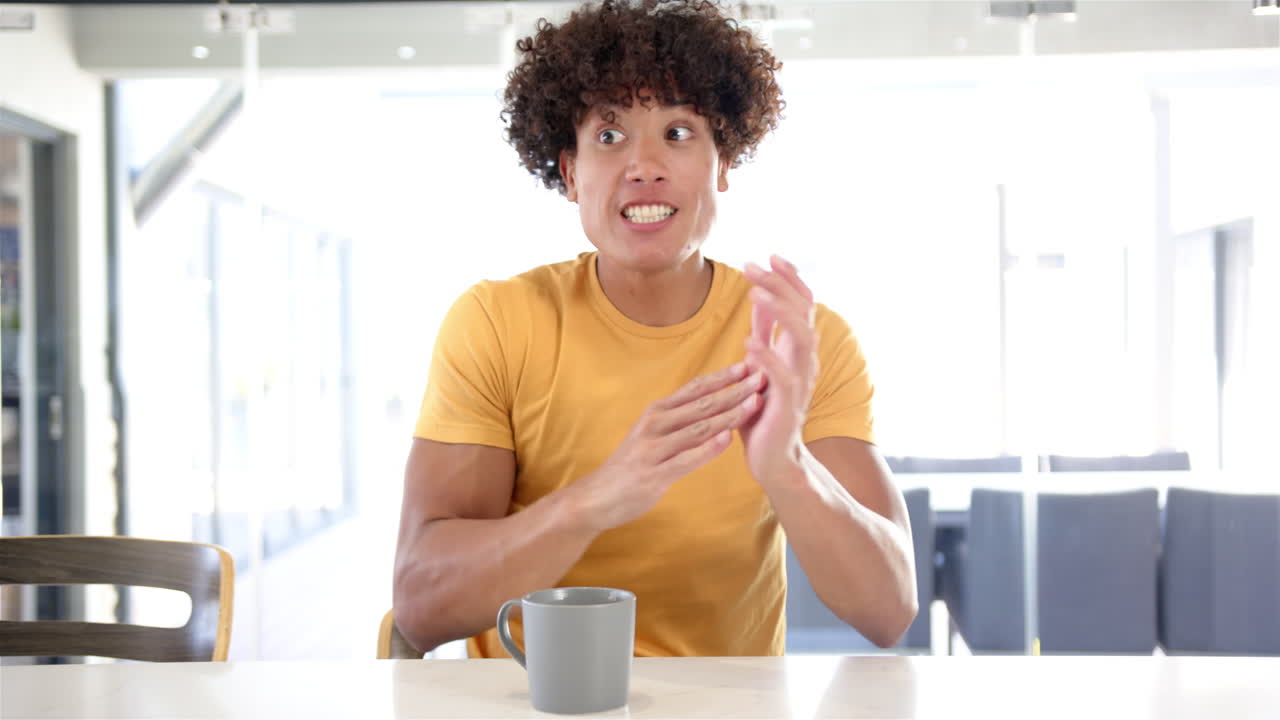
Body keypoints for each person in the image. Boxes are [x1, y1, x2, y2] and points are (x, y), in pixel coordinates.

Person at [393, 0, 916, 658]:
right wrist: (599, 498)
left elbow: (889, 609)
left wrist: (787, 466)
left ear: (723, 163)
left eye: (678, 133)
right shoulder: (498, 323)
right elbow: (419, 605)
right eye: (609, 137)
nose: (644, 165)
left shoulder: (798, 339)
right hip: (537, 702)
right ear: (569, 172)